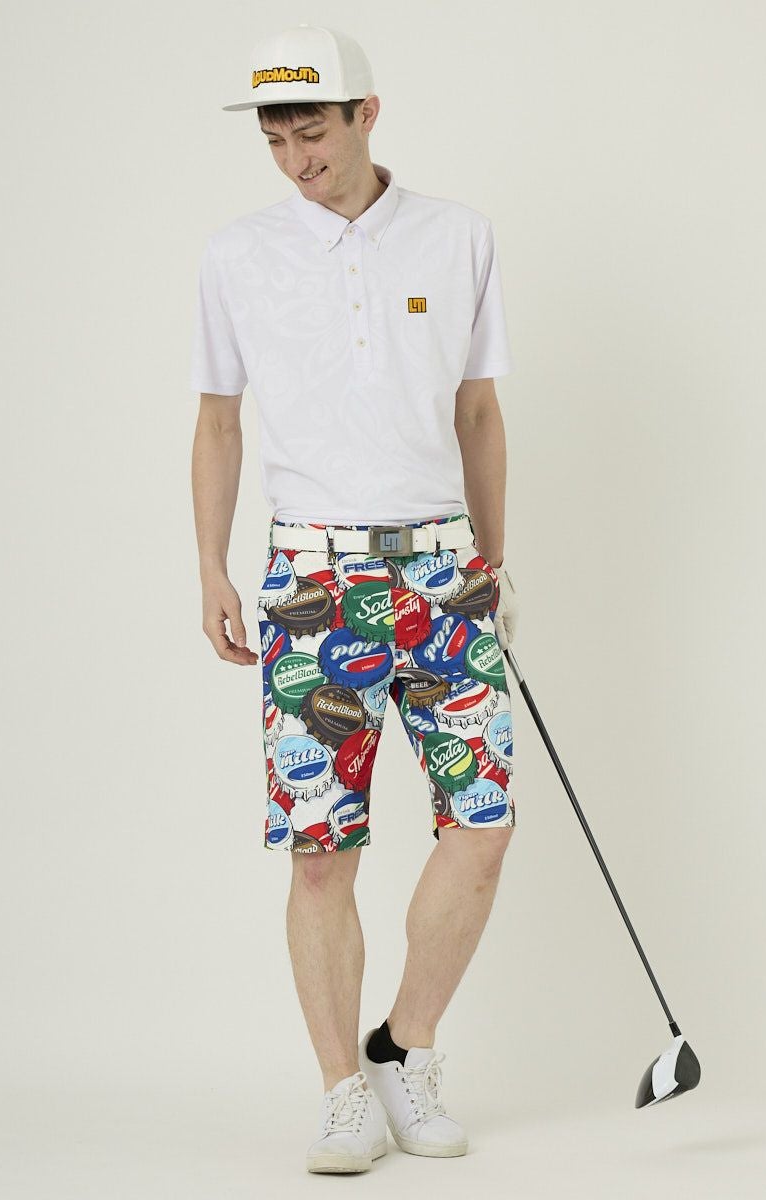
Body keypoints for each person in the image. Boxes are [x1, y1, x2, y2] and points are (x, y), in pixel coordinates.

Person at [190, 23, 521, 1176]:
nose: (297, 160)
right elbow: (217, 422)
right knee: (321, 848)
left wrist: (493, 563)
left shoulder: (457, 235)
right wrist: (212, 567)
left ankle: (403, 1048)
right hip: (311, 579)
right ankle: (341, 1091)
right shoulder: (237, 255)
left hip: (440, 567)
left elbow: (477, 411)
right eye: (276, 140)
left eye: (314, 134)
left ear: (366, 115)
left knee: (482, 825)